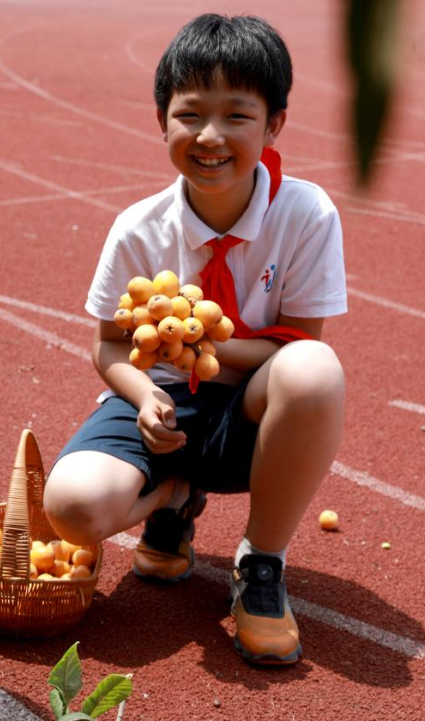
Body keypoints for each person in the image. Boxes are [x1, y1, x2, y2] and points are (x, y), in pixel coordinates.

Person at [43, 14, 346, 665]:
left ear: (274, 124)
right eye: (189, 114)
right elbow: (110, 346)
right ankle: (175, 496)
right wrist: (142, 394)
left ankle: (261, 563)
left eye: (237, 115)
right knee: (68, 506)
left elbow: (299, 346)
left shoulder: (305, 214)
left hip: (248, 418)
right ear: (161, 119)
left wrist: (207, 342)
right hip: (160, 403)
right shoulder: (136, 229)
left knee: (317, 371)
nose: (210, 136)